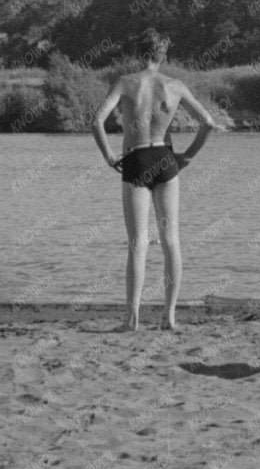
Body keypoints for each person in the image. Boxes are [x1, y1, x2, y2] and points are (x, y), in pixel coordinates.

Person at [91, 34, 221, 332]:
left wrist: (110, 156)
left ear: (139, 53)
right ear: (163, 55)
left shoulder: (125, 82)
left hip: (135, 159)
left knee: (138, 243)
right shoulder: (174, 86)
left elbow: (96, 121)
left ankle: (132, 318)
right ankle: (170, 316)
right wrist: (188, 155)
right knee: (171, 241)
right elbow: (209, 122)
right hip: (165, 158)